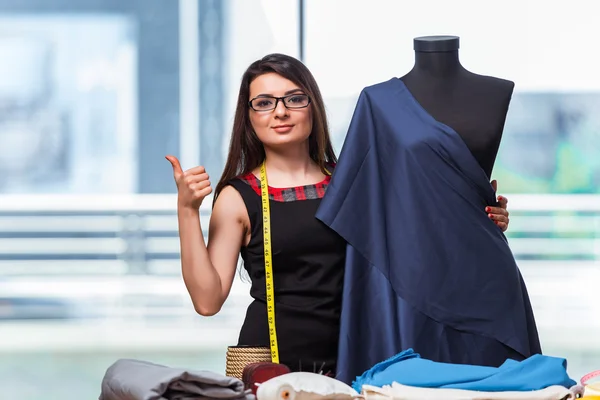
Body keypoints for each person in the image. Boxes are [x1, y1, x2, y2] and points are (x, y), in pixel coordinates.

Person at [165, 53, 511, 376]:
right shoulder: (239, 197)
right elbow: (207, 301)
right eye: (264, 103)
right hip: (274, 363)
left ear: (313, 107)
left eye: (294, 98)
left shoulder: (355, 182)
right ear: (250, 116)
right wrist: (187, 210)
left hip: (360, 353)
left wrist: (480, 222)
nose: (280, 112)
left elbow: (422, 240)